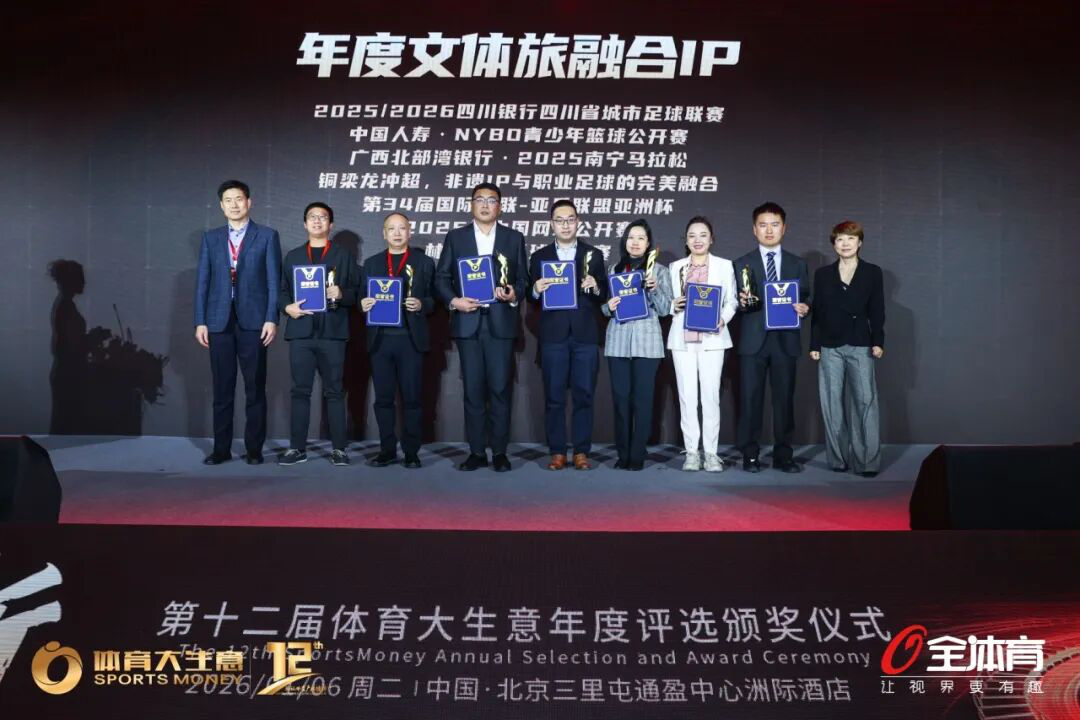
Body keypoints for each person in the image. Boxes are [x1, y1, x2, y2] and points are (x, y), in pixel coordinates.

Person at [434, 182, 529, 472]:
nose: (485, 205)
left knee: (500, 390)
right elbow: (441, 278)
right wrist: (455, 301)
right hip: (468, 323)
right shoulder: (456, 237)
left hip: (501, 323)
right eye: (480, 199)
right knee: (473, 391)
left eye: (491, 200)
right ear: (471, 204)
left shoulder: (513, 238)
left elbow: (523, 280)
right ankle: (476, 452)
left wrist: (513, 294)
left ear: (500, 206)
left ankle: (499, 452)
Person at [194, 180, 281, 465]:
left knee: (255, 389)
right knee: (222, 390)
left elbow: (273, 281)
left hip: (254, 321)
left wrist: (271, 318)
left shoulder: (266, 235)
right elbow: (203, 282)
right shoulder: (211, 238)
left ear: (249, 202)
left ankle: (254, 450)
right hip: (218, 321)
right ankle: (221, 450)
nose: (234, 204)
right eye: (228, 200)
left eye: (239, 199)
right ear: (221, 206)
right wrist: (200, 321)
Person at [277, 202, 359, 467]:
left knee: (334, 392)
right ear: (304, 224)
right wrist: (286, 308)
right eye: (312, 217)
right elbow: (281, 291)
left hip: (332, 333)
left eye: (322, 217)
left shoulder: (343, 256)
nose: (317, 221)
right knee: (300, 391)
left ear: (330, 224)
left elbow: (358, 292)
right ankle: (297, 448)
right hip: (301, 332)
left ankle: (339, 449)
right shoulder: (293, 256)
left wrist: (342, 294)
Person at [529, 200, 607, 470]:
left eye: (570, 219)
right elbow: (530, 297)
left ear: (578, 222)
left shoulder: (593, 255)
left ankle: (582, 451)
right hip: (553, 336)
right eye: (559, 220)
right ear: (551, 224)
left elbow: (604, 294)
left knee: (584, 395)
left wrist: (595, 286)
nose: (565, 225)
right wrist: (536, 289)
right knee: (554, 397)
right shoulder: (539, 256)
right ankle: (558, 451)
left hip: (585, 335)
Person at [733, 201, 810, 473]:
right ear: (754, 229)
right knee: (750, 401)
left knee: (784, 401)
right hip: (753, 342)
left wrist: (805, 307)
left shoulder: (797, 264)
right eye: (763, 225)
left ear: (784, 228)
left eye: (774, 225)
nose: (769, 230)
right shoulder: (741, 263)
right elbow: (733, 303)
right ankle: (750, 454)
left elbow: (806, 296)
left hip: (785, 341)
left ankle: (784, 455)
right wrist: (741, 302)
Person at [360, 212, 436, 469]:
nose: (396, 233)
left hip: (410, 341)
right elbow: (361, 297)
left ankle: (412, 452)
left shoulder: (423, 262)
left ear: (409, 232)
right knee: (383, 399)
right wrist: (363, 303)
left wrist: (422, 304)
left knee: (412, 399)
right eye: (391, 229)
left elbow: (435, 299)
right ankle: (387, 449)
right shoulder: (371, 263)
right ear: (384, 233)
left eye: (401, 228)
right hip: (380, 341)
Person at [810, 220, 885, 476]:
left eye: (850, 238)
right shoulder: (823, 274)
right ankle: (838, 459)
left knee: (865, 402)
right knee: (832, 403)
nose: (845, 244)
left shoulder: (872, 272)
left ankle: (867, 462)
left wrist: (878, 341)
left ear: (860, 242)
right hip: (829, 345)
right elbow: (818, 311)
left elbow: (877, 309)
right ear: (834, 244)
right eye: (840, 239)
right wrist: (814, 344)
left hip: (860, 343)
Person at [667, 216, 739, 472]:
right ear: (686, 240)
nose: (697, 240)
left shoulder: (724, 266)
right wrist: (673, 305)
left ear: (711, 239)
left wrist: (723, 319)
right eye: (692, 236)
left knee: (710, 398)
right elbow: (667, 302)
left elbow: (732, 301)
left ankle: (710, 453)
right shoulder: (675, 267)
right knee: (687, 398)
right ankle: (691, 453)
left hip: (712, 338)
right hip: (683, 339)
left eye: (703, 235)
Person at [601, 219, 673, 470]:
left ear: (648, 243)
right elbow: (604, 307)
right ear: (625, 241)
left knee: (643, 400)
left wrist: (654, 289)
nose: (635, 242)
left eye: (641, 238)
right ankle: (623, 453)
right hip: (618, 341)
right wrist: (608, 307)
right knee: (621, 400)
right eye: (631, 237)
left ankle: (638, 453)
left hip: (647, 343)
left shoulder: (659, 271)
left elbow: (665, 309)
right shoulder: (614, 269)